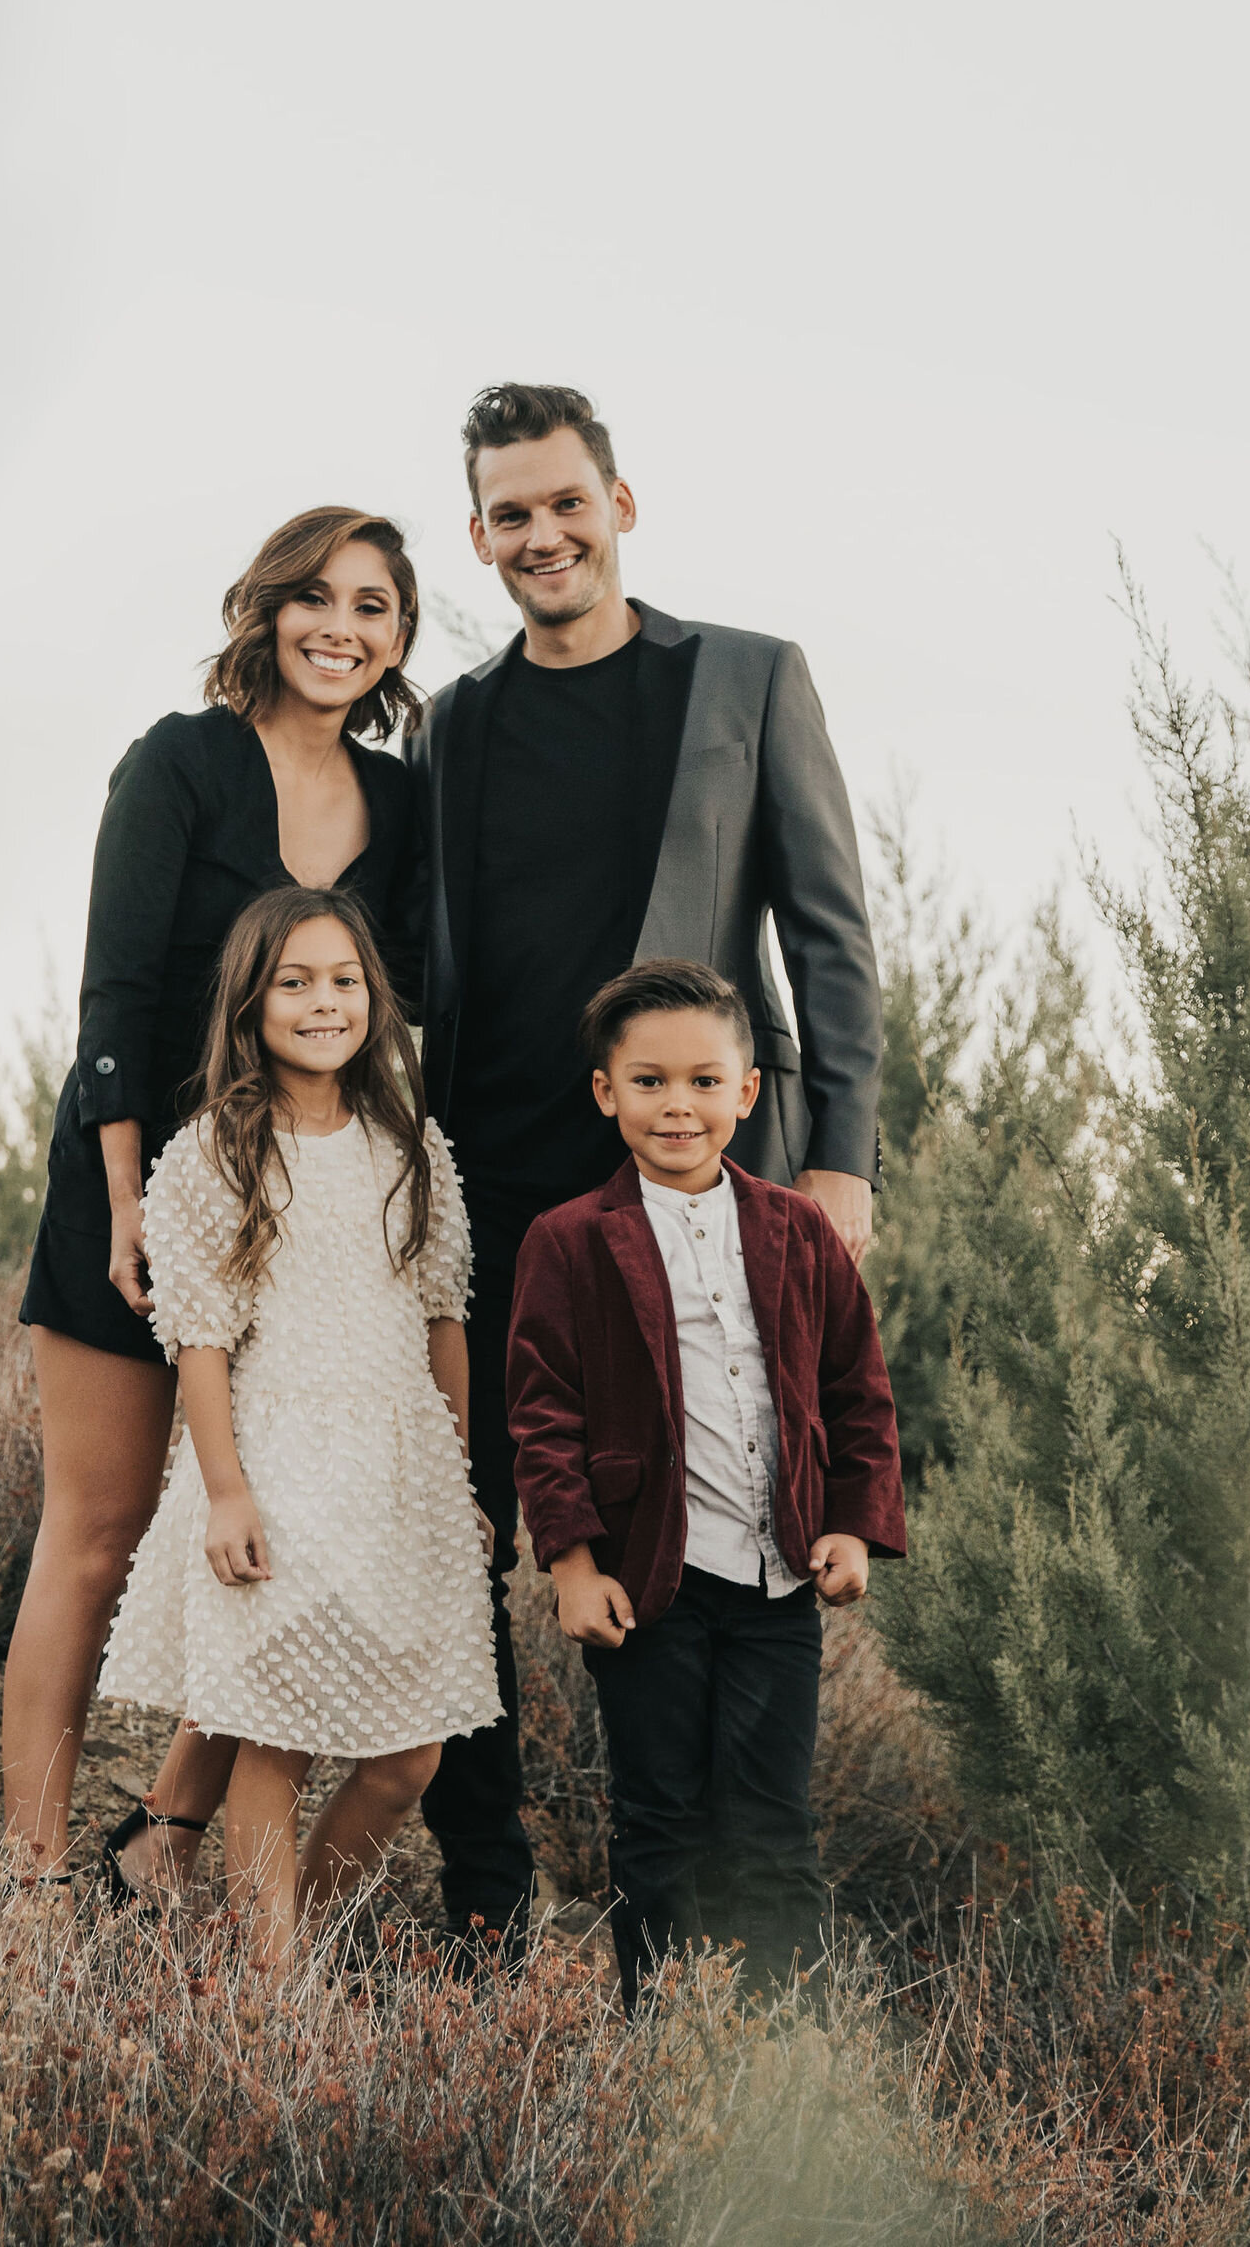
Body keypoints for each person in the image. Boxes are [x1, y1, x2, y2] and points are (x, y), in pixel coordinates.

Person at [414, 381, 884, 1946]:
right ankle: (487, 1896)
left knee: (723, 1533)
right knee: (470, 1530)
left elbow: (831, 939)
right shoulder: (457, 722)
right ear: (478, 536)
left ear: (619, 504)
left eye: (567, 502)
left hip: (693, 1189)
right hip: (492, 1195)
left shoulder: (748, 680)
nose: (543, 534)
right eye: (511, 514)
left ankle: (721, 1928)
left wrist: (841, 1160)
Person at [2, 509, 426, 1889]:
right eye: (315, 597)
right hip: (136, 1187)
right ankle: (31, 1878)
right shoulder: (179, 763)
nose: (339, 627)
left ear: (399, 637)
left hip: (299, 1224)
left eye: (371, 605)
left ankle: (162, 1837)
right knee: (100, 1533)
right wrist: (129, 1203)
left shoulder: (401, 805)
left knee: (279, 1534)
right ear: (266, 609)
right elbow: (115, 997)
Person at [95, 887, 499, 1969]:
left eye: (344, 981)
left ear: (375, 999)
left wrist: (460, 1481)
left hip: (400, 1475)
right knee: (273, 1734)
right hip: (276, 1464)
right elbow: (199, 1340)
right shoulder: (210, 1154)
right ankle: (271, 1994)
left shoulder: (412, 1150)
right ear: (249, 1001)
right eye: (294, 982)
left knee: (408, 1757)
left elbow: (444, 1322)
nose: (324, 1003)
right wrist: (227, 1491)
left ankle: (300, 1941)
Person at [507, 958, 905, 2008]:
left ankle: (787, 2049)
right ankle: (658, 2043)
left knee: (772, 1824)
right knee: (661, 1819)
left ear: (747, 1091)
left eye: (702, 1081)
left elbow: (856, 1388)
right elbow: (542, 1417)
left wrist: (853, 1527)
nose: (676, 1105)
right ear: (606, 1093)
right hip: (650, 1583)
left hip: (778, 1581)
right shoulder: (566, 1241)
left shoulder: (797, 1230)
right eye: (648, 1082)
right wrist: (572, 1565)